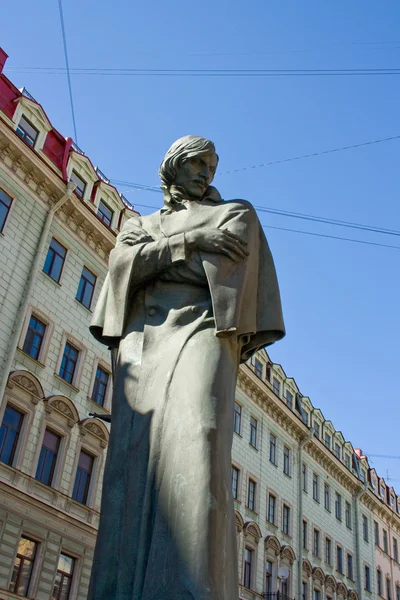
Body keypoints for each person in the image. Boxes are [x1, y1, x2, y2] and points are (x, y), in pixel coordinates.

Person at [88, 135, 285, 600]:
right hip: (142, 346)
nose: (206, 173)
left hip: (205, 334)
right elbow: (121, 270)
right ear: (173, 166)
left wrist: (152, 262)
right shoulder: (140, 222)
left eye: (211, 167)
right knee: (133, 465)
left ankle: (192, 589)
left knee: (200, 438)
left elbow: (218, 277)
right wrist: (192, 242)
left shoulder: (236, 214)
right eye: (197, 163)